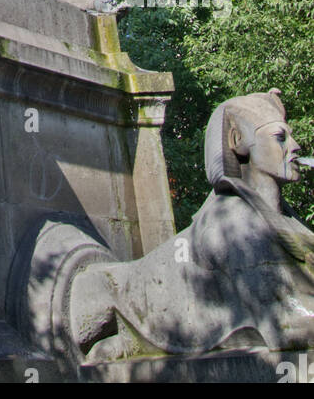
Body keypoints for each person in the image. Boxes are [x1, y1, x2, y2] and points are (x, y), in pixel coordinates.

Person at [69, 89, 314, 360]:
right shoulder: (231, 226)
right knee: (100, 296)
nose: (295, 146)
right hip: (110, 293)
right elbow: (282, 323)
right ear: (238, 141)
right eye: (280, 137)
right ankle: (127, 336)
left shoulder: (291, 224)